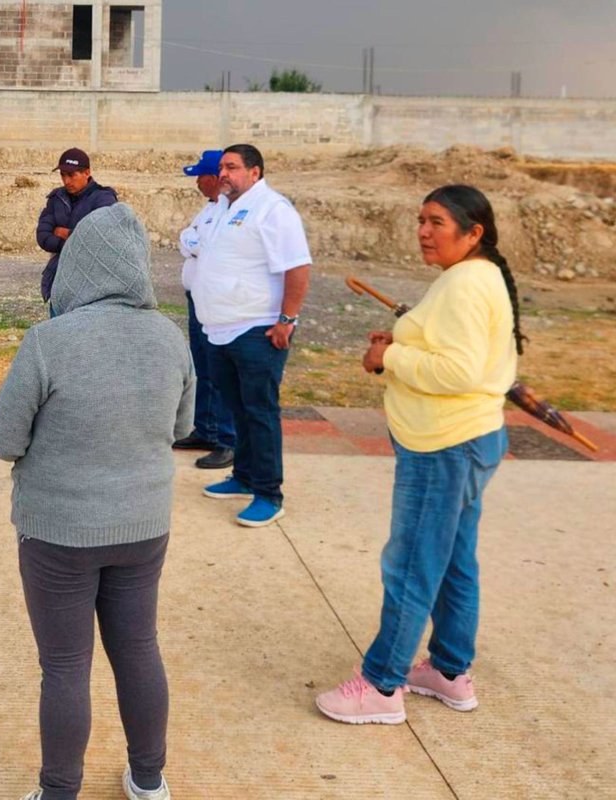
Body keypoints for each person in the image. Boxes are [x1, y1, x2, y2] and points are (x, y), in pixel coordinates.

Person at [0, 204, 194, 800]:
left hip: (58, 530)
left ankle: (58, 791)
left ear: (78, 264)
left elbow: (4, 439)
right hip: (143, 524)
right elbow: (183, 426)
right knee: (138, 650)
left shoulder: (49, 341)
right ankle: (149, 780)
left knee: (65, 666)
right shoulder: (170, 338)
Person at [316, 184, 523, 724]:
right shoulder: (473, 277)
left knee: (411, 564)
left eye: (436, 222)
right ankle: (449, 672)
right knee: (453, 560)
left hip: (444, 446)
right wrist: (406, 346)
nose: (424, 232)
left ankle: (382, 685)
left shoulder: (467, 285)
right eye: (421, 220)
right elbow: (458, 354)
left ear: (473, 232)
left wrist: (391, 357)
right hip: (465, 440)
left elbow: (460, 371)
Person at [192, 144, 311, 528]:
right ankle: (243, 476)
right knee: (238, 408)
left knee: (260, 412)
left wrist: (287, 320)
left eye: (232, 167)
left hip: (257, 331)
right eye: (222, 167)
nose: (223, 173)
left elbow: (297, 267)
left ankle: (268, 493)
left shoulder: (273, 210)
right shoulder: (226, 208)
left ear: (255, 172)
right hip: (221, 330)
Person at [173, 149, 237, 470]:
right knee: (203, 369)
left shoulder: (229, 211)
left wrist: (192, 241)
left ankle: (227, 440)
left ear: (213, 178)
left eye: (200, 175)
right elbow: (187, 240)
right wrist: (191, 240)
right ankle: (207, 428)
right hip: (197, 298)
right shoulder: (208, 209)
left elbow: (207, 248)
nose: (196, 181)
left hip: (214, 301)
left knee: (221, 369)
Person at [35, 148, 118, 307]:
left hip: (92, 283)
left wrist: (64, 232)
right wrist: (77, 240)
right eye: (63, 175)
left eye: (72, 175)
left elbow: (103, 237)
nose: (66, 181)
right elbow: (43, 237)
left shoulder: (104, 198)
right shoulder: (57, 198)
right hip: (59, 280)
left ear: (87, 173)